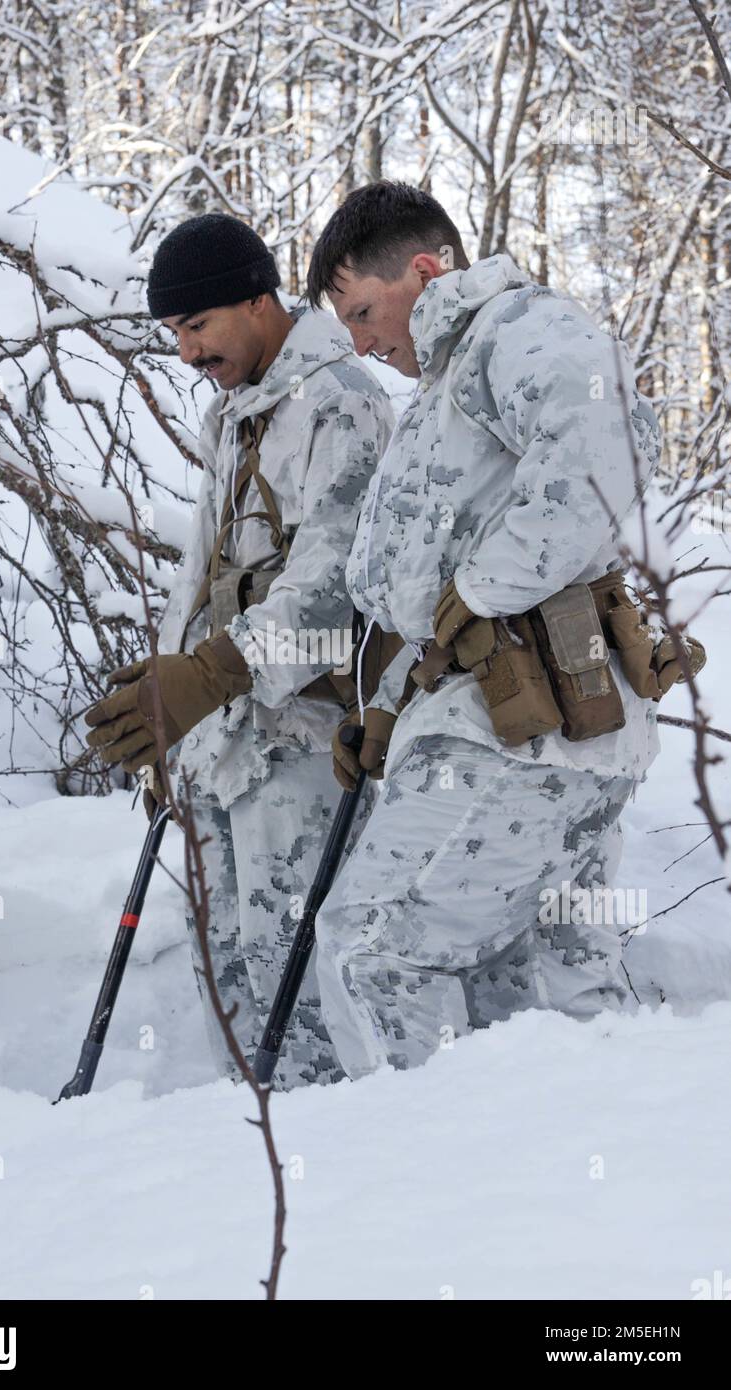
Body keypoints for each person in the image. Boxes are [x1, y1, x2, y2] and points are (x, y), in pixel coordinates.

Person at [305, 181, 702, 1081]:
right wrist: (393, 711)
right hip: (529, 733)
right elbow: (429, 589)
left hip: (518, 738)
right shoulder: (453, 376)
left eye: (365, 311)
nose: (363, 342)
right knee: (548, 981)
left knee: (377, 952)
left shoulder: (513, 327)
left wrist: (482, 590)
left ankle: (430, 1195)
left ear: (428, 270)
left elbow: (606, 450)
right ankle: (585, 1188)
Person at [84, 212, 395, 1088]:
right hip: (229, 741)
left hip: (304, 741)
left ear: (259, 302)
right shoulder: (238, 409)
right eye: (174, 334)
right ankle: (244, 1154)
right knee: (228, 972)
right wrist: (171, 704)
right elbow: (206, 571)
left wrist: (210, 677)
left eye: (198, 326)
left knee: (297, 977)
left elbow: (336, 592)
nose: (186, 353)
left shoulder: (339, 402)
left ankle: (324, 1160)